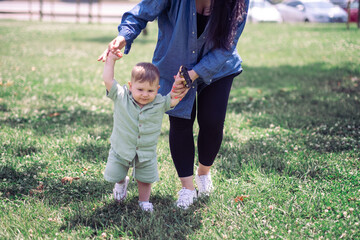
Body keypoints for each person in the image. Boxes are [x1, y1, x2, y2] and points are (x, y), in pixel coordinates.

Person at [98, 0, 249, 209]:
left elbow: (227, 45)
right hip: (174, 65)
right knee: (180, 123)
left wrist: (194, 74)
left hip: (219, 68)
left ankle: (204, 173)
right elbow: (142, 12)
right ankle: (187, 188)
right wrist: (123, 36)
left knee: (212, 122)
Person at [101, 49, 188, 212]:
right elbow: (108, 80)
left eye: (151, 91)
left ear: (158, 89)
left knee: (145, 179)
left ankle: (144, 201)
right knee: (116, 174)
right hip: (121, 148)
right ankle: (121, 183)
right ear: (131, 86)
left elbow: (175, 98)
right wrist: (111, 60)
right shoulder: (121, 96)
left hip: (146, 152)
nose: (145, 95)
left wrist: (181, 84)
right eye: (140, 89)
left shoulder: (160, 102)